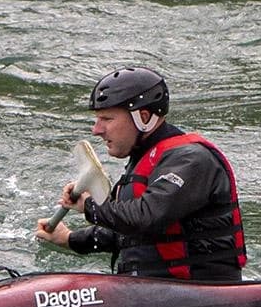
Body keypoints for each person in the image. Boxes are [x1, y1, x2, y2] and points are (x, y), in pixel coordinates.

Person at [35, 67, 247, 281]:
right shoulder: (144, 162)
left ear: (143, 117)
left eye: (107, 119)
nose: (96, 130)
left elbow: (146, 217)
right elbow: (130, 236)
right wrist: (70, 238)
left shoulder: (192, 160)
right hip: (152, 291)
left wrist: (91, 207)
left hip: (199, 293)